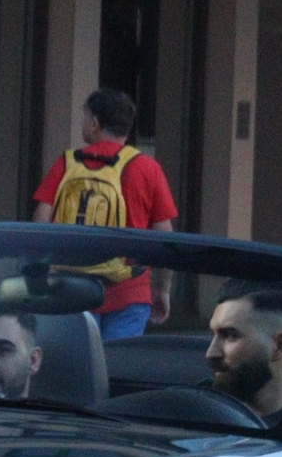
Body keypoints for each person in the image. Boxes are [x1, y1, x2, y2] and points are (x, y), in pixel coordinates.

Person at [32, 89, 179, 339]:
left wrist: (41, 277)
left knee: (77, 369)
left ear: (95, 123)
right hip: (129, 291)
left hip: (72, 290)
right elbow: (165, 238)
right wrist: (162, 290)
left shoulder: (67, 164)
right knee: (118, 370)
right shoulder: (147, 168)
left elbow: (40, 222)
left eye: (85, 117)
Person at [205, 280, 282, 420]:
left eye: (230, 335)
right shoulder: (195, 407)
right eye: (213, 335)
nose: (211, 353)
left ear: (279, 346)